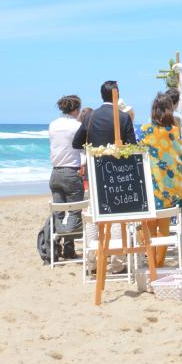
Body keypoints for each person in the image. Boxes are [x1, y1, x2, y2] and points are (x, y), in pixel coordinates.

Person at [138, 94, 182, 267]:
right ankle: (159, 263)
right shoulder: (174, 130)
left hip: (149, 183)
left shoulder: (145, 130)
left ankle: (152, 262)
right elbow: (180, 155)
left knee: (149, 226)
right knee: (164, 226)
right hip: (168, 184)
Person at [48, 94, 84, 257]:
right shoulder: (77, 126)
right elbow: (82, 148)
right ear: (76, 109)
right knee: (74, 211)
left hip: (55, 172)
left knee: (58, 211)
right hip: (71, 172)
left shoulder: (53, 125)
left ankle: (55, 246)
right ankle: (69, 247)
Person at [71, 80, 136, 150]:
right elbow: (132, 145)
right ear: (117, 95)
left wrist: (94, 148)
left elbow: (76, 143)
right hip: (119, 160)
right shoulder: (124, 117)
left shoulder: (89, 116)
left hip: (95, 159)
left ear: (101, 95)